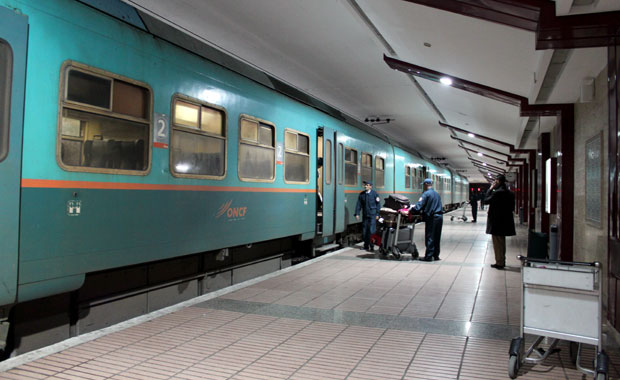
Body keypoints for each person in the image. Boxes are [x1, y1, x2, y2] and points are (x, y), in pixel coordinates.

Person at [404, 178, 443, 261]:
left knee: (430, 237)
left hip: (432, 218)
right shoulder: (436, 194)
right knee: (437, 237)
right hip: (439, 217)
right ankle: (436, 255)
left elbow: (419, 206)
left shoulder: (426, 194)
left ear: (426, 184)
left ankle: (428, 256)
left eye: (423, 185)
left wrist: (411, 211)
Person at [483, 174, 516, 269]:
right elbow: (512, 207)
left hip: (496, 222)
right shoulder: (510, 193)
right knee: (502, 242)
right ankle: (502, 260)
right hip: (505, 222)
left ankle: (499, 262)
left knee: (497, 243)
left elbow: (486, 200)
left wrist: (490, 189)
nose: (494, 183)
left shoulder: (497, 193)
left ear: (498, 182)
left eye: (495, 182)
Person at [355, 181, 381, 251]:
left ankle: (372, 246)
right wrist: (357, 213)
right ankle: (366, 245)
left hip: (372, 215)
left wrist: (378, 214)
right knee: (365, 231)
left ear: (370, 186)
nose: (365, 186)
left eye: (367, 185)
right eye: (365, 185)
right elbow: (359, 204)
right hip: (365, 215)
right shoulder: (362, 195)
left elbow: (378, 205)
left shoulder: (375, 194)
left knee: (371, 230)